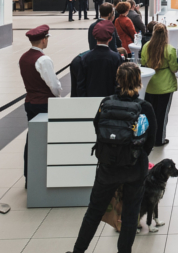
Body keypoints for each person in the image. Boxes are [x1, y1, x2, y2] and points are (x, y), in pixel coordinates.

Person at [68, 63, 155, 253]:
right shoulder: (144, 107)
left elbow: (97, 128)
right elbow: (151, 140)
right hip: (134, 170)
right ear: (138, 81)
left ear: (118, 80)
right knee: (130, 215)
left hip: (107, 168)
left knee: (94, 211)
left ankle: (78, 250)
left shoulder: (106, 103)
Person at [19, 25, 62, 183]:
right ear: (44, 40)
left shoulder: (23, 57)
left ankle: (29, 176)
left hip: (30, 101)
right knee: (47, 138)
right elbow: (54, 85)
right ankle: (45, 174)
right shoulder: (43, 59)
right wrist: (58, 96)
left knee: (32, 138)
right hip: (44, 104)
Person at [142, 23, 178, 147]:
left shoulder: (146, 46)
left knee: (150, 114)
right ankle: (159, 139)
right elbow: (174, 68)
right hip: (165, 86)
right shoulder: (170, 49)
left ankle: (148, 138)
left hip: (150, 85)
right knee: (162, 115)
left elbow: (143, 63)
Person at [73, 20, 123, 97]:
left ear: (95, 37)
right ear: (110, 38)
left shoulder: (85, 58)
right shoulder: (116, 58)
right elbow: (118, 84)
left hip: (89, 102)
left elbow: (80, 86)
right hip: (109, 103)